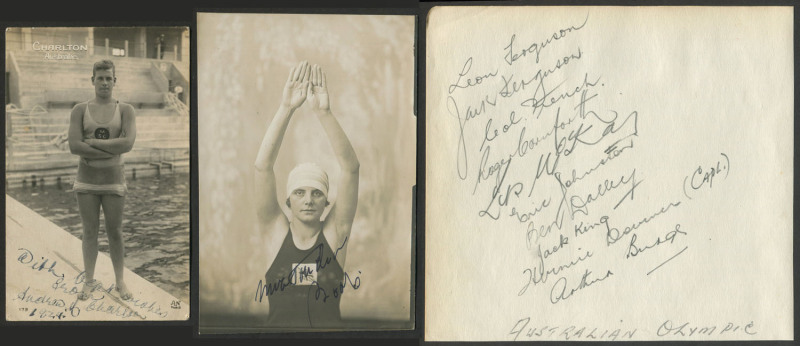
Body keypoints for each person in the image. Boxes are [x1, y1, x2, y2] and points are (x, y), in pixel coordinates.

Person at [254, 61, 360, 328]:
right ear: (288, 201)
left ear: (327, 202)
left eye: (316, 193)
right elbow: (263, 167)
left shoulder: (336, 234)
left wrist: (324, 113)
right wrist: (286, 108)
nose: (309, 200)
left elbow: (350, 169)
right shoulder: (274, 233)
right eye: (300, 193)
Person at [68, 60, 137, 301]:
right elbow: (74, 146)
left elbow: (128, 144)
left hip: (113, 180)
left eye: (109, 78)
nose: (105, 82)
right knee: (89, 231)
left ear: (115, 81)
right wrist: (112, 148)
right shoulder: (79, 109)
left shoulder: (125, 109)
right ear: (93, 80)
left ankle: (120, 282)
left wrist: (93, 143)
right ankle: (88, 281)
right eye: (100, 78)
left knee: (115, 232)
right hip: (86, 181)